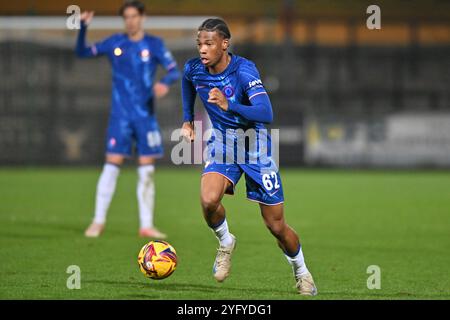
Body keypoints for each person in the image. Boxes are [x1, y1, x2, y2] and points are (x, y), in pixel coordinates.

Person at [180, 18, 317, 295]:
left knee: (276, 226)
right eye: (199, 44)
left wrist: (230, 104)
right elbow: (187, 82)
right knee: (208, 200)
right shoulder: (194, 69)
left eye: (209, 44)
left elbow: (266, 113)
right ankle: (226, 241)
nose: (202, 50)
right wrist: (188, 119)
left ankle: (301, 272)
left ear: (224, 44)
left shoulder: (244, 70)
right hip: (223, 144)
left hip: (255, 147)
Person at [75, 1, 180, 238]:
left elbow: (174, 70)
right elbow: (82, 52)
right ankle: (98, 221)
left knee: (147, 170)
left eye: (134, 16)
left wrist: (164, 83)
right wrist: (82, 28)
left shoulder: (154, 44)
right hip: (120, 116)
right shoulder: (115, 43)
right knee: (111, 165)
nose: (131, 21)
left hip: (145, 116)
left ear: (142, 17)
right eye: (127, 17)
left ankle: (146, 225)